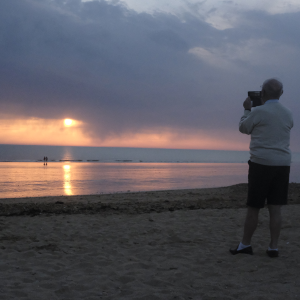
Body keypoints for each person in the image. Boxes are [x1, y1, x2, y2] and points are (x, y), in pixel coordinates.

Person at [230, 78, 293, 258]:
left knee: (254, 207)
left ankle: (245, 244)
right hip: (282, 164)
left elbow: (243, 127)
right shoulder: (288, 113)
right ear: (281, 93)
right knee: (275, 208)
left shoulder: (260, 111)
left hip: (261, 163)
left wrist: (247, 109)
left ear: (262, 93)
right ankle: (273, 247)